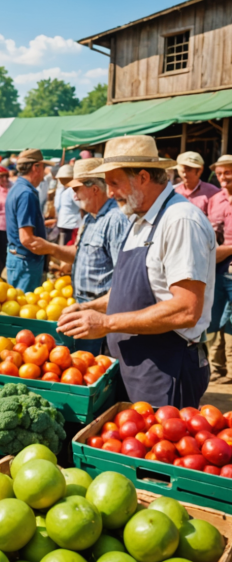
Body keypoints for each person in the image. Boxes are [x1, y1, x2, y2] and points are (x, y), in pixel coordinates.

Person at [58, 136, 215, 408]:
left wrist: (106, 323)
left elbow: (187, 309)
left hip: (167, 367)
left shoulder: (180, 221)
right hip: (138, 363)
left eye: (114, 183)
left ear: (143, 176)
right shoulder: (139, 219)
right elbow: (132, 293)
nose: (109, 193)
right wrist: (91, 307)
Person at [25, 159, 129, 354]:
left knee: (95, 364)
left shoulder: (115, 220)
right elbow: (80, 254)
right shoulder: (89, 217)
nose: (73, 196)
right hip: (82, 305)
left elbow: (123, 275)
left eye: (77, 189)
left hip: (99, 311)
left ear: (95, 190)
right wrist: (51, 249)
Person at [4, 149, 51, 292]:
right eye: (43, 167)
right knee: (24, 310)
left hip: (19, 258)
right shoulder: (26, 193)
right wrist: (55, 251)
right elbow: (26, 239)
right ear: (35, 167)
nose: (44, 174)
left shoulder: (18, 189)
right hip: (26, 262)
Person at [207, 155, 232, 378]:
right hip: (216, 268)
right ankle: (217, 368)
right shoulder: (215, 199)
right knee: (214, 317)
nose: (223, 177)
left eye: (228, 172)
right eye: (220, 173)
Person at [172, 151, 220, 216]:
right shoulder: (174, 191)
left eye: (189, 170)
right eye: (182, 171)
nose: (185, 174)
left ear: (200, 170)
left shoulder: (213, 192)